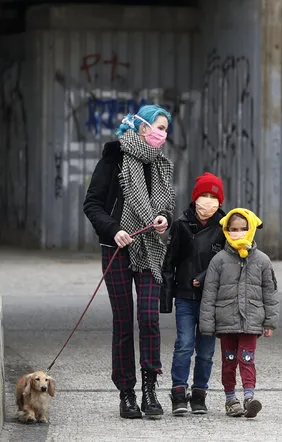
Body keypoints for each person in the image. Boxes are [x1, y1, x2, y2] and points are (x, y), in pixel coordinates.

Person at [83, 105, 176, 419]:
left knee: (149, 318)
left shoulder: (162, 166)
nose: (161, 133)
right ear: (141, 126)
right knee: (123, 322)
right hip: (117, 248)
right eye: (157, 126)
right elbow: (92, 204)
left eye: (165, 128)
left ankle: (150, 390)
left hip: (150, 248)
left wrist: (164, 219)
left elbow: (166, 206)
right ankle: (127, 393)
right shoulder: (114, 158)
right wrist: (114, 230)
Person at [199, 208, 279, 418]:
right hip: (226, 321)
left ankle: (249, 398)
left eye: (243, 229)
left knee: (247, 359)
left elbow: (269, 292)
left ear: (251, 229)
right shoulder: (219, 260)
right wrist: (207, 324)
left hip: (251, 321)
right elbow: (209, 293)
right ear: (226, 230)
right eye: (233, 229)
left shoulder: (262, 261)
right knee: (229, 361)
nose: (238, 233)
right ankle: (230, 399)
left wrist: (269, 322)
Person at [160, 172, 226, 415]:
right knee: (185, 345)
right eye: (203, 196)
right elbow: (169, 263)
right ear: (195, 198)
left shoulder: (224, 226)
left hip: (212, 299)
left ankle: (199, 393)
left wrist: (205, 278)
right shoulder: (181, 225)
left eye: (213, 196)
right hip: (186, 296)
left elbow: (227, 263)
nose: (207, 201)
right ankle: (178, 391)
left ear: (220, 201)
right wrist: (166, 298)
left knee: (206, 351)